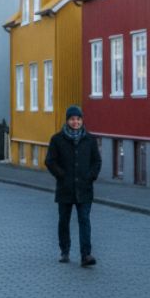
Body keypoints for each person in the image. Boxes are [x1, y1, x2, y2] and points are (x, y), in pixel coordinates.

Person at [44, 106, 101, 266]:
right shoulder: (57, 139)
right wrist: (61, 175)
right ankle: (65, 250)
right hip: (65, 188)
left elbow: (96, 161)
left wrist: (90, 176)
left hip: (84, 188)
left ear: (82, 120)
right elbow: (50, 161)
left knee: (84, 220)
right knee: (64, 220)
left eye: (78, 119)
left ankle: (86, 255)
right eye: (72, 119)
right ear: (67, 120)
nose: (75, 122)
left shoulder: (89, 140)